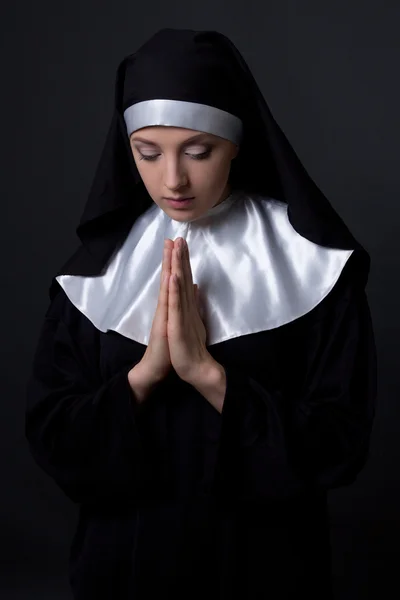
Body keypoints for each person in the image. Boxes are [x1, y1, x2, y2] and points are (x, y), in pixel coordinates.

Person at [25, 28, 377, 599]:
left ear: (236, 141)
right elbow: (53, 438)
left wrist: (208, 376)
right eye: (147, 152)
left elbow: (340, 445)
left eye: (198, 150)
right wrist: (144, 376)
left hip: (266, 571)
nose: (173, 180)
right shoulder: (92, 278)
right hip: (124, 571)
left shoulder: (316, 268)